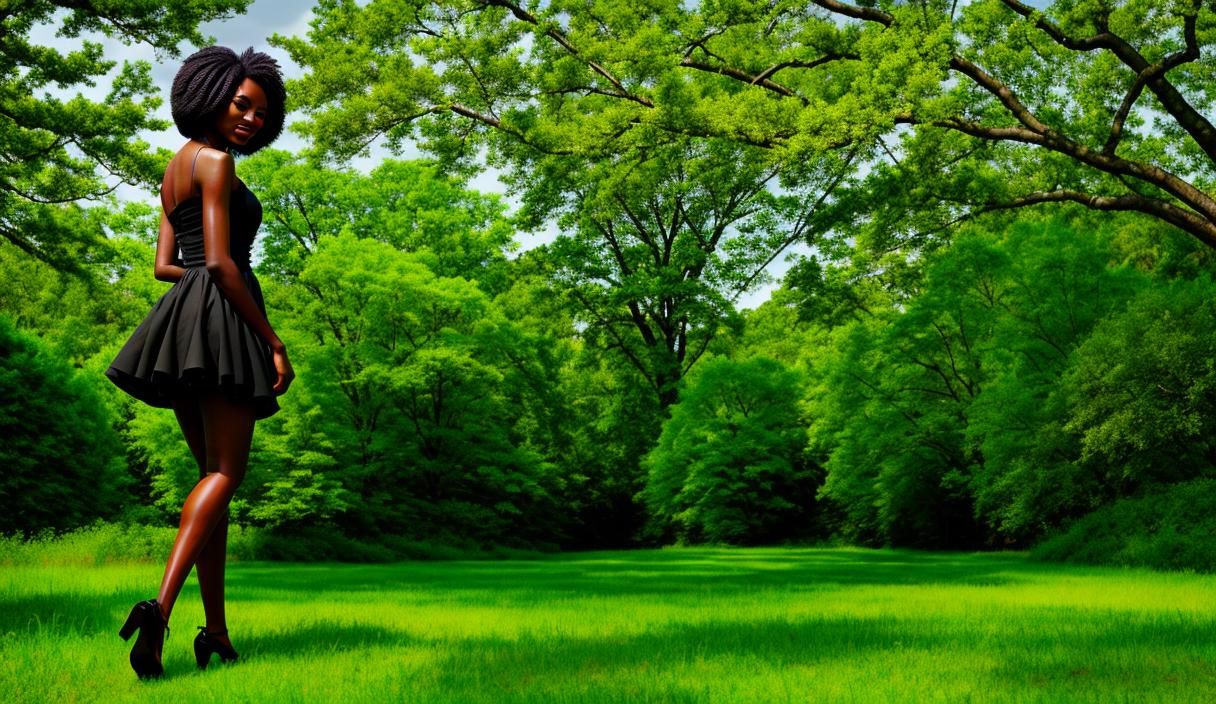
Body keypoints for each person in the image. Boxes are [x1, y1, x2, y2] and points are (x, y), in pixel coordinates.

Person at [106, 46, 294, 679]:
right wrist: (273, 341)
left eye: (261, 113)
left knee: (211, 485)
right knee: (226, 475)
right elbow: (218, 261)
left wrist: (198, 293)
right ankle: (158, 610)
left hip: (183, 324)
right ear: (210, 95)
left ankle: (216, 633)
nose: (251, 119)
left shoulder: (175, 167)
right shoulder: (215, 162)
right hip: (222, 319)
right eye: (241, 105)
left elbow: (167, 265)